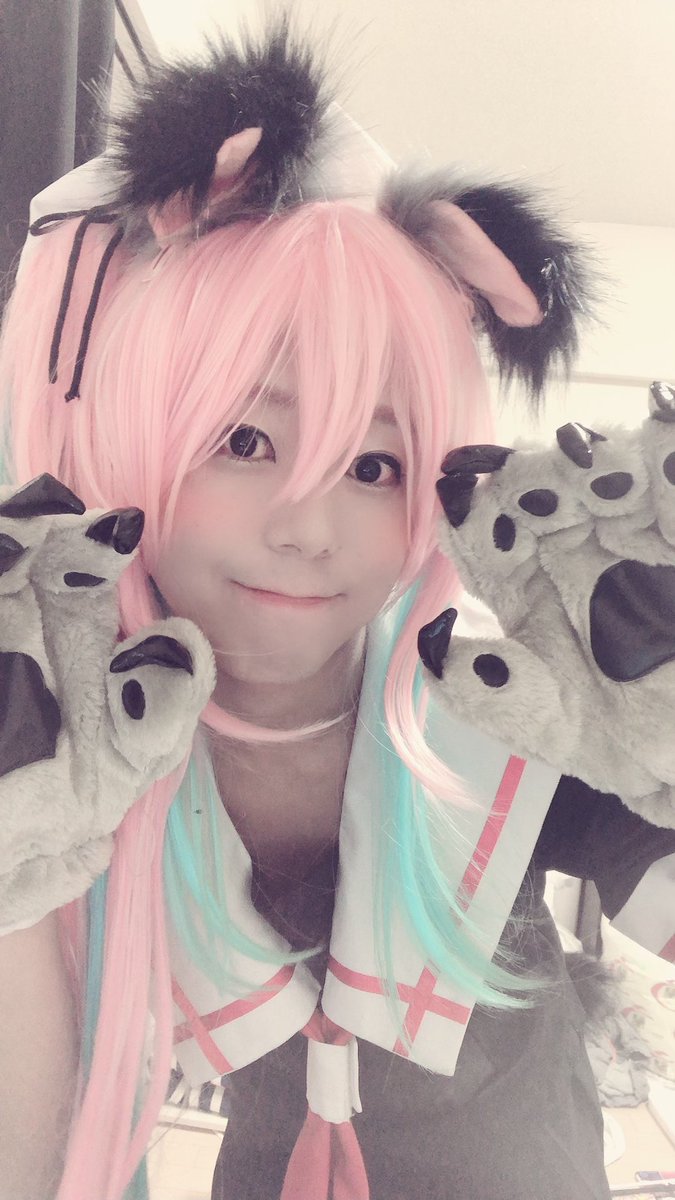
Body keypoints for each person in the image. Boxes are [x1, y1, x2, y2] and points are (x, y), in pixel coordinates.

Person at [0, 21, 673, 1200]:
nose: (310, 526)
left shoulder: (501, 704)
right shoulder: (78, 742)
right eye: (244, 440)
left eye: (374, 464)